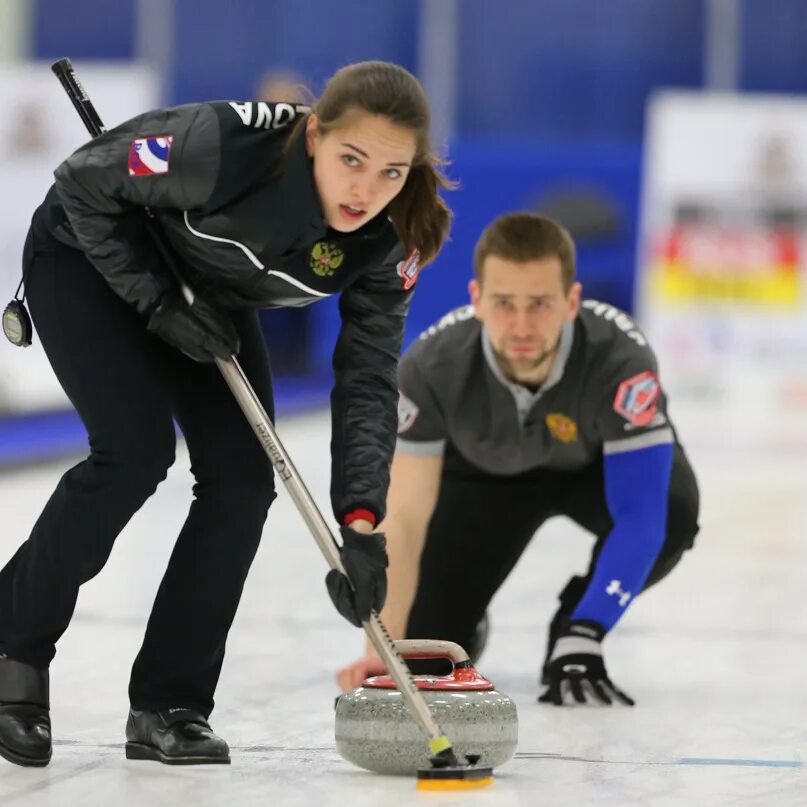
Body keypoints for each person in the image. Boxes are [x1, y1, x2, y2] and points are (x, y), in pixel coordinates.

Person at [0, 60, 452, 767]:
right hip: (87, 255)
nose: (367, 189)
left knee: (243, 477)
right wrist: (153, 300)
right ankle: (14, 647)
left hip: (207, 292)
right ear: (314, 136)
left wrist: (362, 521)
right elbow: (83, 179)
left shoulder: (398, 233)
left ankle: (170, 701)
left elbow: (367, 378)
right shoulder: (220, 143)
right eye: (351, 160)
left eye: (391, 171)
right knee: (134, 451)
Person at [337, 212, 699, 706]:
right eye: (504, 303)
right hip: (486, 479)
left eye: (541, 304)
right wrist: (384, 648)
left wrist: (585, 631)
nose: (522, 325)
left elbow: (643, 517)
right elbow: (404, 518)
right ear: (477, 299)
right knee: (425, 658)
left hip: (595, 473)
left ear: (571, 302)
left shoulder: (621, 359)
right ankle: (464, 618)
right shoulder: (432, 366)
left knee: (674, 514)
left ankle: (573, 620)